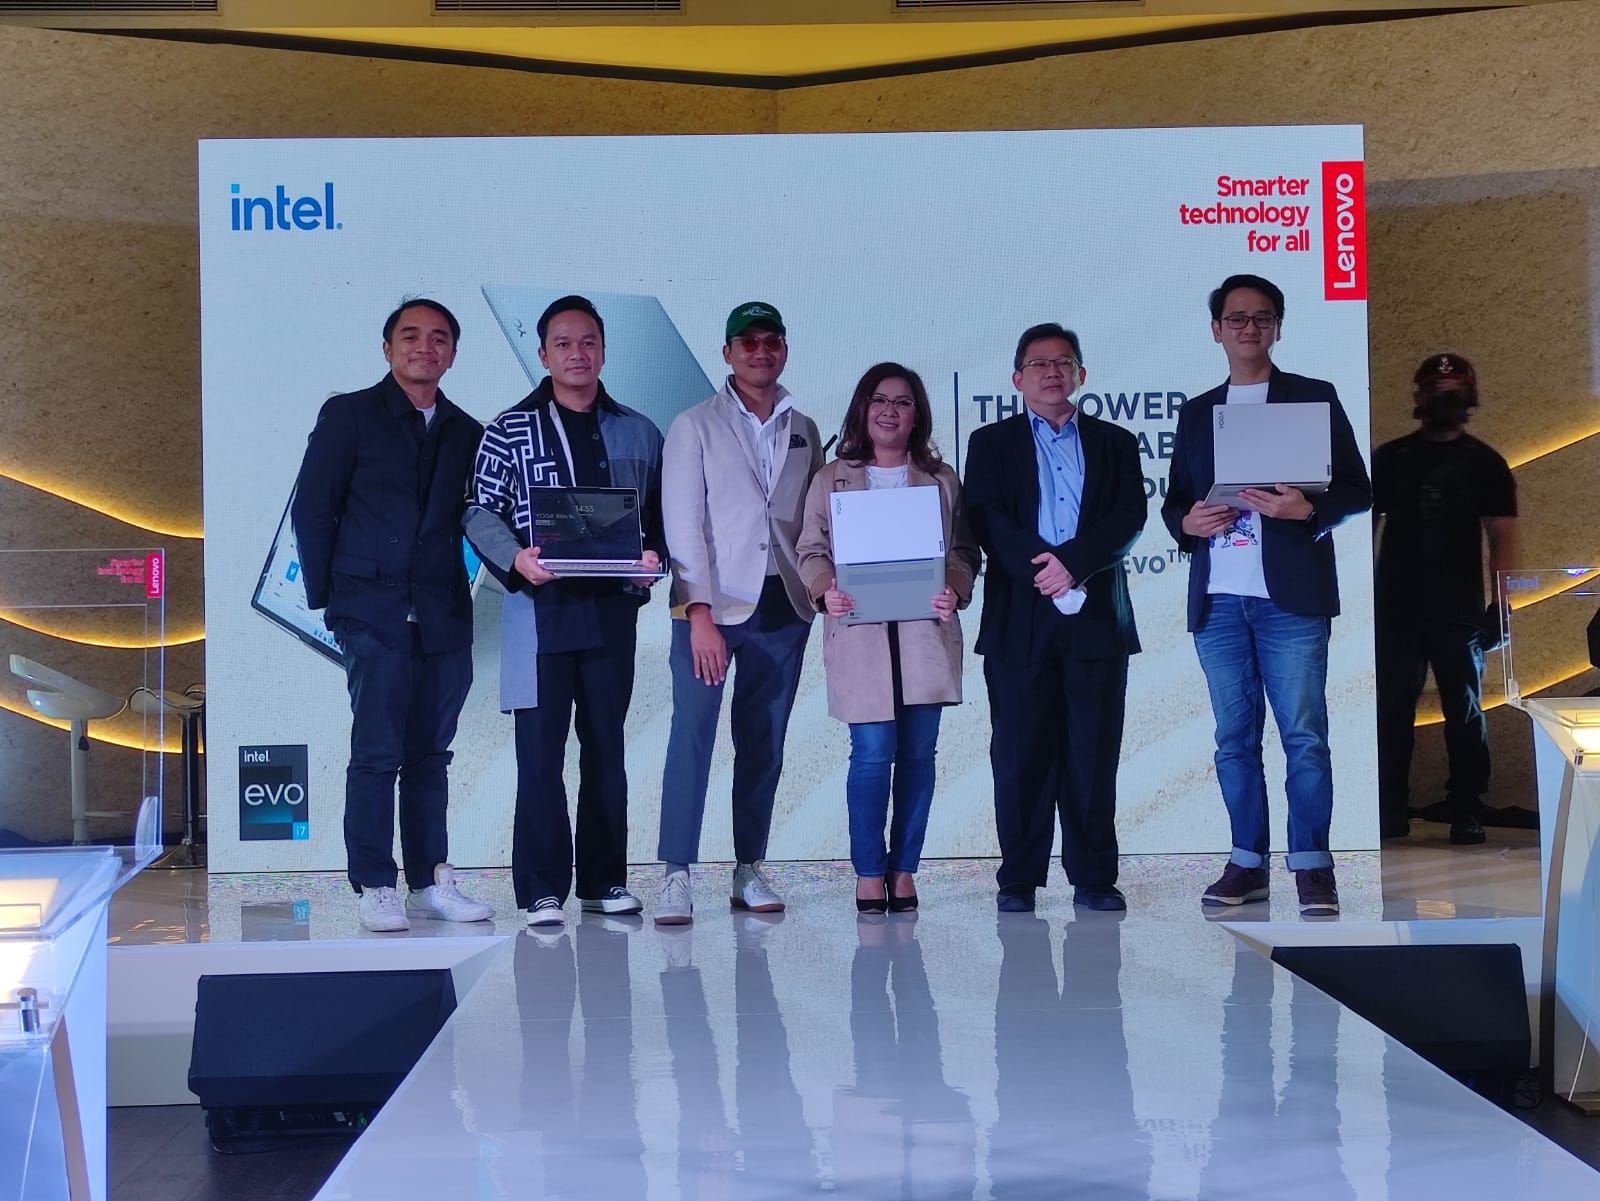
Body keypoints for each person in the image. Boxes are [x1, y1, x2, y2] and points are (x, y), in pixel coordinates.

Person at [1162, 274, 1372, 916]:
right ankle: (1246, 863)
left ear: (1278, 326)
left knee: (1304, 735)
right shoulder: (1198, 411)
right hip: (1219, 597)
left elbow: (1357, 490)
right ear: (1216, 330)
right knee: (1234, 738)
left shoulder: (1313, 396)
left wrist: (1309, 510)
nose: (1248, 328)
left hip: (1291, 596)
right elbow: (1176, 502)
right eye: (1236, 318)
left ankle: (1312, 865)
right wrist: (1187, 524)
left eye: (1262, 318)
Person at [464, 295, 665, 927]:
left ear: (603, 350)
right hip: (538, 614)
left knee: (606, 750)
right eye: (563, 343)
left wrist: (654, 556)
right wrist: (515, 559)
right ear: (543, 354)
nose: (577, 354)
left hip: (612, 616)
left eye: (588, 342)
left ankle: (604, 882)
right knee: (540, 757)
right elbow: (479, 510)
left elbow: (659, 517)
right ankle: (541, 890)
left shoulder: (639, 431)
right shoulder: (509, 429)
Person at [292, 298, 492, 933]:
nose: (424, 347)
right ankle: (375, 883)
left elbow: (477, 518)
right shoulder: (348, 414)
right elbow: (313, 508)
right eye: (411, 336)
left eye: (439, 338)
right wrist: (331, 599)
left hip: (442, 613)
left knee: (430, 755)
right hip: (370, 610)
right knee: (377, 751)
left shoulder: (466, 430)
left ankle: (429, 881)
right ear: (387, 348)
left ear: (453, 354)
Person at [963, 323, 1147, 914]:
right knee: (1020, 753)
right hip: (1020, 615)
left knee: (1093, 752)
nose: (1051, 372)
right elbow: (987, 518)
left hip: (1096, 616)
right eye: (1039, 363)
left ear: (1081, 375)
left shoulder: (1116, 442)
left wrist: (1074, 564)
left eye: (1063, 362)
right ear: (1017, 378)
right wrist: (1045, 569)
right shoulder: (991, 442)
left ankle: (1094, 877)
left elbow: (1128, 517)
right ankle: (1018, 878)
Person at [653, 302, 822, 925]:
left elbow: (813, 521)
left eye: (771, 340)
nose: (760, 351)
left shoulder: (804, 427)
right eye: (747, 342)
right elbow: (682, 524)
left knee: (764, 742)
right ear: (727, 353)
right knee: (692, 736)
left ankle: (749, 865)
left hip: (784, 605)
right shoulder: (693, 425)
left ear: (785, 349)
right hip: (711, 608)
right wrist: (697, 611)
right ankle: (676, 871)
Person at [795, 363, 980, 913]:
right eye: (880, 400)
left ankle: (904, 870)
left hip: (925, 635)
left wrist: (954, 587)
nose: (890, 411)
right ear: (863, 408)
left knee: (919, 756)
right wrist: (825, 589)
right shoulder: (832, 477)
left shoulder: (941, 479)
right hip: (859, 634)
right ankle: (869, 872)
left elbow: (964, 551)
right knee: (872, 755)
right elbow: (810, 550)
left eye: (902, 402)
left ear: (917, 413)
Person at [1373, 353, 1517, 845]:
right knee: (1392, 712)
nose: (1444, 397)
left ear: (1470, 396)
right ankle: (1390, 807)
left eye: (1453, 389)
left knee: (1466, 712)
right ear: (1418, 396)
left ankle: (1467, 807)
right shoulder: (1391, 459)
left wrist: (1502, 606)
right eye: (1436, 389)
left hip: (1460, 612)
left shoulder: (1487, 463)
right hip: (1394, 608)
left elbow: (1502, 537)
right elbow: (1364, 530)